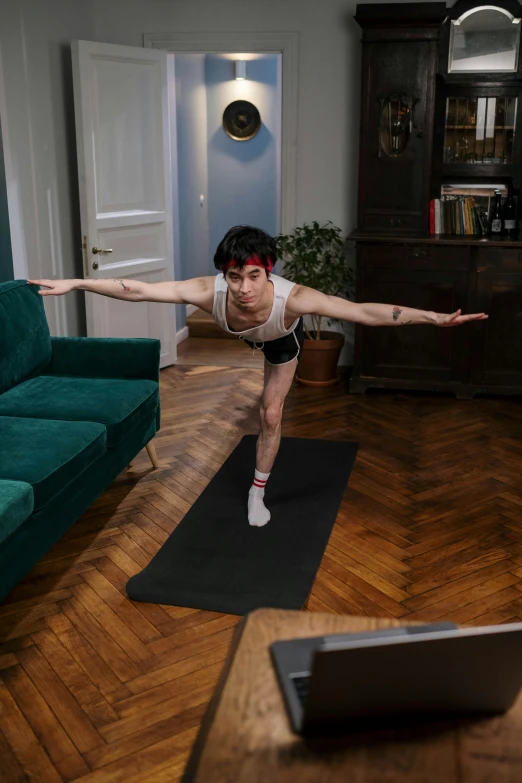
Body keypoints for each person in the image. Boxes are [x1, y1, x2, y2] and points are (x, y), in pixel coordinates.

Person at [28, 225, 488, 527]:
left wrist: (433, 317)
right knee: (256, 397)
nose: (244, 288)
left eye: (253, 275)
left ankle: (257, 492)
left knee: (269, 414)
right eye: (234, 276)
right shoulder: (210, 293)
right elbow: (140, 289)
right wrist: (77, 283)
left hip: (280, 340)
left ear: (268, 272)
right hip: (242, 336)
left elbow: (364, 312)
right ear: (224, 275)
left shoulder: (296, 299)